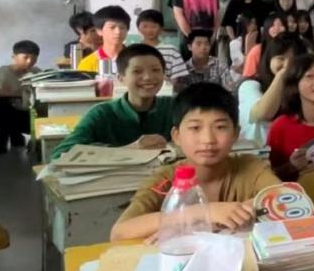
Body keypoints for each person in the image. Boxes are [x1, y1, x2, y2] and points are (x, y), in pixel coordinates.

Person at [110, 82, 279, 242]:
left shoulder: (250, 167)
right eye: (195, 128)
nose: (208, 140)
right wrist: (204, 213)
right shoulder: (164, 179)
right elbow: (119, 232)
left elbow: (285, 198)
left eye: (220, 127)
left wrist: (226, 214)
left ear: (235, 134)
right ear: (176, 136)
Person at [53, 44, 173, 158]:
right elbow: (61, 153)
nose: (148, 77)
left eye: (155, 70)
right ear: (121, 78)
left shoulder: (173, 107)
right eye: (137, 71)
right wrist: (129, 149)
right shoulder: (102, 113)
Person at [238, 34, 309, 147]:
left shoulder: (303, 87)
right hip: (257, 152)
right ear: (268, 60)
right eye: (281, 58)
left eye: (294, 60)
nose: (287, 64)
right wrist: (282, 75)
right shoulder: (250, 85)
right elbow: (263, 113)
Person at [0, 40, 40, 154]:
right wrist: (23, 92)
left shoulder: (36, 72)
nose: (30, 61)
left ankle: (16, 133)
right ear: (14, 57)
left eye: (34, 58)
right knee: (2, 105)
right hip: (0, 113)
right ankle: (0, 142)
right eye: (26, 57)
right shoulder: (3, 72)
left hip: (23, 111)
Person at [136, 9, 187, 83]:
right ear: (138, 28)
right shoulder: (132, 51)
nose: (149, 30)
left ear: (161, 29)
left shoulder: (171, 51)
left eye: (153, 26)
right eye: (145, 26)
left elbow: (177, 78)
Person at [77, 5, 131, 73]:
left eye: (122, 27)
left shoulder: (136, 59)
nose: (118, 32)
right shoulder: (87, 64)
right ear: (99, 31)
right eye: (112, 27)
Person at [241, 12, 288, 78]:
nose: (279, 29)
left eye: (282, 25)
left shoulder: (290, 49)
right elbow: (247, 79)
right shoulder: (257, 51)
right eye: (275, 25)